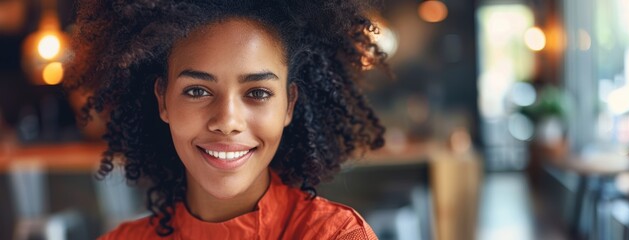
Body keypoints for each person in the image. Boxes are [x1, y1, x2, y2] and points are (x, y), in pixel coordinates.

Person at [65, 0, 388, 239]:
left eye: (258, 93)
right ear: (162, 100)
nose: (227, 120)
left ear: (289, 105)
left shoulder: (335, 235)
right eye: (197, 91)